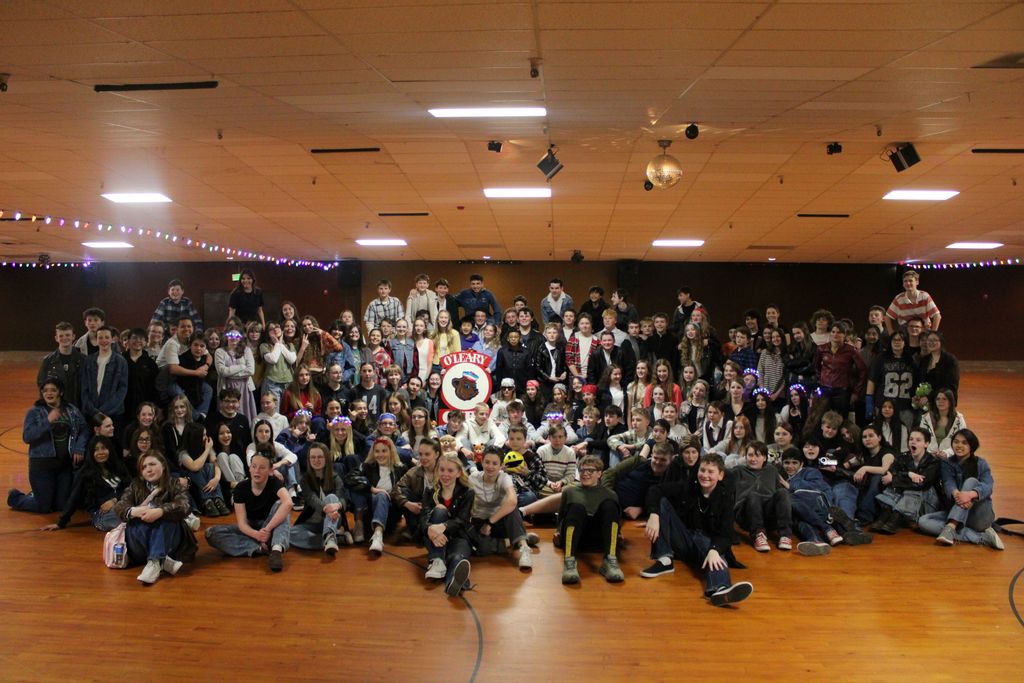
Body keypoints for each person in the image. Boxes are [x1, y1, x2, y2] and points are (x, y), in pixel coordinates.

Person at [640, 453, 753, 606]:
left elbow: (726, 534)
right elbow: (655, 490)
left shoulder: (725, 498)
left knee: (717, 557)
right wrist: (653, 514)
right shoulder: (688, 486)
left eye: (710, 472)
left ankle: (719, 590)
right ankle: (664, 559)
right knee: (662, 502)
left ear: (720, 476)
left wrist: (715, 549)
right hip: (683, 538)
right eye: (702, 470)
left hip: (707, 542)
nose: (705, 475)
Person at [112, 452, 198, 584]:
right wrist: (134, 511)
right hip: (139, 543)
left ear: (163, 466)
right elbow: (120, 506)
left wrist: (160, 511)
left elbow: (185, 504)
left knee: (166, 519)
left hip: (170, 539)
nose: (148, 469)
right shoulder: (135, 485)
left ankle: (155, 562)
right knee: (137, 521)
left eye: (152, 464)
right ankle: (162, 560)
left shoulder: (174, 484)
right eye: (144, 467)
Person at [9, 379, 88, 514]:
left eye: (53, 390)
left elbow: (84, 429)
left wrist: (79, 448)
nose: (49, 393)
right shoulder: (34, 412)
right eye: (45, 390)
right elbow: (27, 437)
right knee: (43, 507)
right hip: (42, 466)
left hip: (64, 466)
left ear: (60, 392)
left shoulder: (71, 410)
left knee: (61, 506)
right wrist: (47, 421)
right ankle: (16, 497)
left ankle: (40, 493)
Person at [205, 449, 292, 571]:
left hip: (270, 525)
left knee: (281, 505)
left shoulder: (274, 483)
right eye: (254, 466)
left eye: (262, 468)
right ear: (249, 468)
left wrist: (267, 530)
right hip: (252, 528)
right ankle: (260, 549)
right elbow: (242, 524)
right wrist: (258, 535)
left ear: (270, 470)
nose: (257, 471)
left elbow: (288, 503)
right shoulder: (240, 488)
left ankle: (276, 550)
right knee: (211, 533)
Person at [916, 429, 1002, 549]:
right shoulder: (947, 463)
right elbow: (948, 483)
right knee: (923, 521)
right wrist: (958, 495)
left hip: (979, 516)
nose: (959, 445)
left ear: (971, 446)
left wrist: (970, 495)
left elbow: (988, 486)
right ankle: (981, 538)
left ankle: (951, 526)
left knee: (971, 482)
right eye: (956, 442)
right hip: (957, 509)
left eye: (964, 443)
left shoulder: (981, 463)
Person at [557, 455, 624, 584]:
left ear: (599, 473)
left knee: (609, 504)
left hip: (599, 539)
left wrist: (618, 534)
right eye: (582, 470)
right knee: (577, 507)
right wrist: (559, 531)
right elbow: (561, 516)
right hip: (576, 537)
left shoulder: (610, 494)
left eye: (590, 471)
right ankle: (569, 562)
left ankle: (610, 560)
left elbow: (615, 520)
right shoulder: (569, 491)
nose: (585, 474)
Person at [469, 448, 537, 570]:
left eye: (495, 463)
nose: (490, 466)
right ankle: (516, 539)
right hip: (479, 521)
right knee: (481, 550)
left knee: (512, 508)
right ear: (482, 462)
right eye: (487, 462)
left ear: (501, 465)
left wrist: (490, 522)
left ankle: (523, 546)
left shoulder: (504, 477)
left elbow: (512, 500)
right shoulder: (473, 478)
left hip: (498, 520)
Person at [42, 436, 128, 532]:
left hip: (123, 506)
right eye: (96, 450)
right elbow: (74, 498)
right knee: (122, 516)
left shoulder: (119, 466)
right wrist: (61, 522)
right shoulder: (85, 474)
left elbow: (131, 488)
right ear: (91, 453)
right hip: (102, 514)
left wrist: (115, 500)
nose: (100, 453)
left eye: (103, 448)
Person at [422, 453, 476, 597]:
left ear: (458, 473)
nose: (445, 474)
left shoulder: (468, 492)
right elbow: (422, 520)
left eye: (450, 471)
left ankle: (455, 582)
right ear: (437, 471)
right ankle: (438, 560)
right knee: (439, 510)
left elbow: (462, 521)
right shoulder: (430, 491)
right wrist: (431, 529)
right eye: (442, 470)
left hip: (459, 535)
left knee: (457, 557)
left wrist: (443, 526)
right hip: (433, 537)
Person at [872, 427, 941, 535]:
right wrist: (908, 474)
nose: (913, 442)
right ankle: (884, 516)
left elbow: (922, 484)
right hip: (905, 499)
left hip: (927, 501)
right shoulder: (903, 456)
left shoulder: (933, 462)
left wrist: (896, 478)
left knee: (911, 488)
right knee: (896, 487)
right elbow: (890, 472)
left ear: (926, 444)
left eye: (918, 440)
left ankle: (895, 519)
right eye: (911, 439)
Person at [290, 442, 353, 554]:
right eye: (312, 457)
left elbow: (343, 498)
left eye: (320, 457)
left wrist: (337, 505)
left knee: (331, 497)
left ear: (326, 458)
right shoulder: (305, 479)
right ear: (309, 460)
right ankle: (336, 539)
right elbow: (311, 499)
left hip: (333, 519)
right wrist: (325, 508)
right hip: (312, 522)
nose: (316, 460)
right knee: (291, 534)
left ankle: (329, 534)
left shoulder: (335, 477)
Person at [778, 447, 841, 555]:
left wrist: (788, 485)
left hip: (818, 507)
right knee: (798, 519)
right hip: (801, 513)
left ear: (801, 464)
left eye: (794, 463)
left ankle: (826, 528)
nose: (790, 466)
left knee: (790, 499)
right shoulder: (781, 477)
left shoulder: (810, 471)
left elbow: (818, 488)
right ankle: (816, 540)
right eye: (787, 463)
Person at [732, 442, 793, 552]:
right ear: (745, 456)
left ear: (764, 458)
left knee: (782, 492)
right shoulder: (738, 471)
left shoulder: (772, 470)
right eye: (750, 455)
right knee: (753, 494)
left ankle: (785, 535)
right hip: (746, 514)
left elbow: (778, 495)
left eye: (757, 455)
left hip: (767, 513)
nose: (753, 458)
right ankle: (758, 535)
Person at [357, 437, 409, 555]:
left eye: (384, 451)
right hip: (370, 511)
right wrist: (372, 489)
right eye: (377, 451)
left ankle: (378, 534)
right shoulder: (366, 467)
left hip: (392, 512)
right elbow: (350, 479)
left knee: (382, 496)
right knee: (380, 495)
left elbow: (405, 490)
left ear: (391, 451)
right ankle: (377, 535)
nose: (380, 454)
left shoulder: (401, 468)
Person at [812, 322, 866, 419]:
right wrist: (821, 379)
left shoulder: (851, 350)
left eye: (839, 332)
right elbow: (816, 367)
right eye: (833, 332)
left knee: (840, 419)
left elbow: (862, 370)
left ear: (844, 334)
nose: (835, 334)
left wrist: (856, 391)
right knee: (824, 418)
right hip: (825, 390)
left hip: (842, 391)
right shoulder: (821, 348)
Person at [79, 325, 128, 427]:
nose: (103, 340)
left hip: (113, 414)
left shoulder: (121, 361)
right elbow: (84, 388)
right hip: (91, 413)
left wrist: (103, 411)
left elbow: (122, 389)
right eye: (100, 337)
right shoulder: (88, 361)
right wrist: (93, 410)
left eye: (107, 337)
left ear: (112, 340)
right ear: (96, 340)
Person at [38, 321, 85, 410]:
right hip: (55, 409)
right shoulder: (47, 361)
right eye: (61, 336)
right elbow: (41, 386)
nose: (64, 338)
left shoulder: (84, 360)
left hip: (78, 408)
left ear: (73, 337)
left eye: (67, 335)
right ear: (56, 338)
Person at [885, 269, 941, 333]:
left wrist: (933, 333)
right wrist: (891, 333)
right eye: (905, 281)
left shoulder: (924, 296)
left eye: (910, 281)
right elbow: (887, 317)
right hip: (906, 332)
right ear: (903, 284)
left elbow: (937, 316)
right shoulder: (899, 299)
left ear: (917, 282)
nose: (908, 283)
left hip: (923, 331)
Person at [918, 388, 967, 460]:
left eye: (944, 399)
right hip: (929, 459)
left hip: (951, 459)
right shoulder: (926, 418)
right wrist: (930, 453)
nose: (940, 401)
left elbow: (962, 442)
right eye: (938, 399)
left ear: (950, 402)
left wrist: (947, 453)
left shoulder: (959, 419)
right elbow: (921, 439)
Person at [915, 331, 960, 403]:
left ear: (941, 342)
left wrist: (929, 397)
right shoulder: (924, 360)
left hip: (943, 401)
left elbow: (950, 385)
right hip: (925, 402)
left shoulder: (950, 360)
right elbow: (920, 380)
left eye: (934, 340)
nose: (931, 342)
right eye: (929, 340)